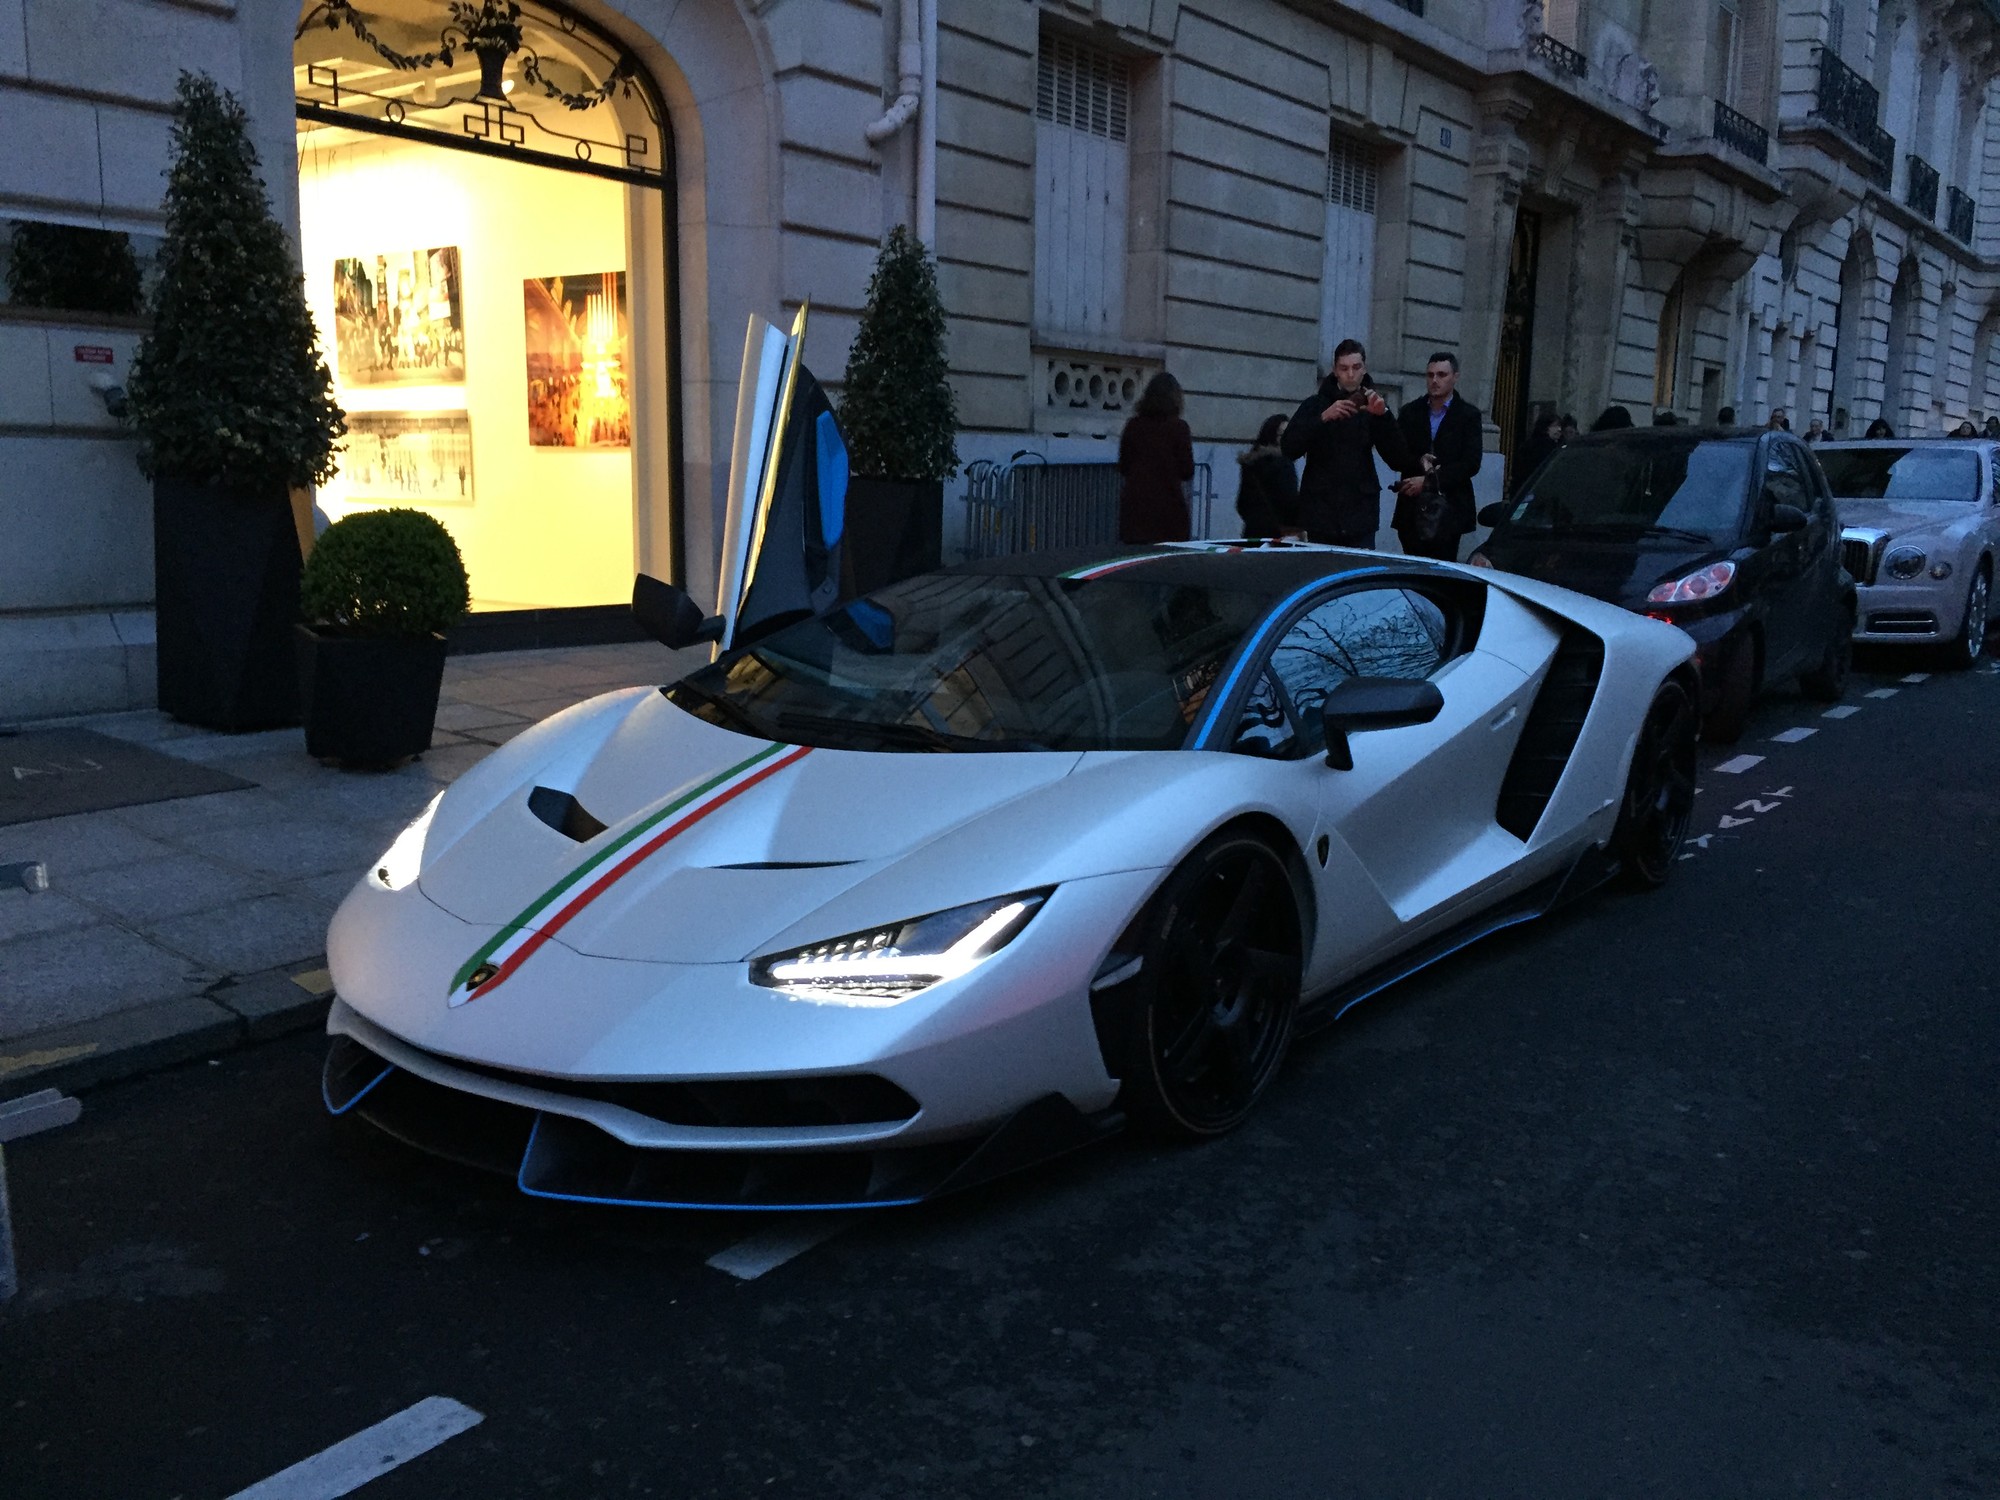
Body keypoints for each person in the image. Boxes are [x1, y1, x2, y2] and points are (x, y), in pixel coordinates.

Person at [1281, 338, 1411, 546]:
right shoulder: (1315, 405)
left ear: (1364, 369)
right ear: (1335, 371)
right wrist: (1323, 418)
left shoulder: (1374, 406)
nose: (1350, 374)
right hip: (1321, 514)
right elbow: (1288, 448)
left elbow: (1399, 459)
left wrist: (1383, 417)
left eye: (1356, 367)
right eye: (1344, 368)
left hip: (1360, 514)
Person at [1392, 351, 1484, 560]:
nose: (1434, 380)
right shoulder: (1410, 412)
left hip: (1449, 509)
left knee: (1441, 567)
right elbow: (1397, 453)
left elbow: (1471, 463)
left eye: (1442, 375)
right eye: (1430, 375)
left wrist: (1429, 481)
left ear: (1455, 377)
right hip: (1412, 509)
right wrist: (1418, 462)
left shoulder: (1468, 415)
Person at [1116, 372, 1195, 543]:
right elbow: (1187, 470)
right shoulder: (1178, 428)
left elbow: (1124, 466)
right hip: (1168, 509)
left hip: (1135, 508)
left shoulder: (1133, 426)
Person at [1233, 414, 1298, 539]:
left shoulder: (1250, 462)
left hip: (1252, 531)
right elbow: (1289, 502)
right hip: (1278, 534)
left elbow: (1242, 503)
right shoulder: (1283, 463)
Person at [1513, 412, 1564, 498]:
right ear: (1545, 427)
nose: (1559, 429)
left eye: (1560, 426)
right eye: (1554, 426)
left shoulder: (1528, 444)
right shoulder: (1547, 447)